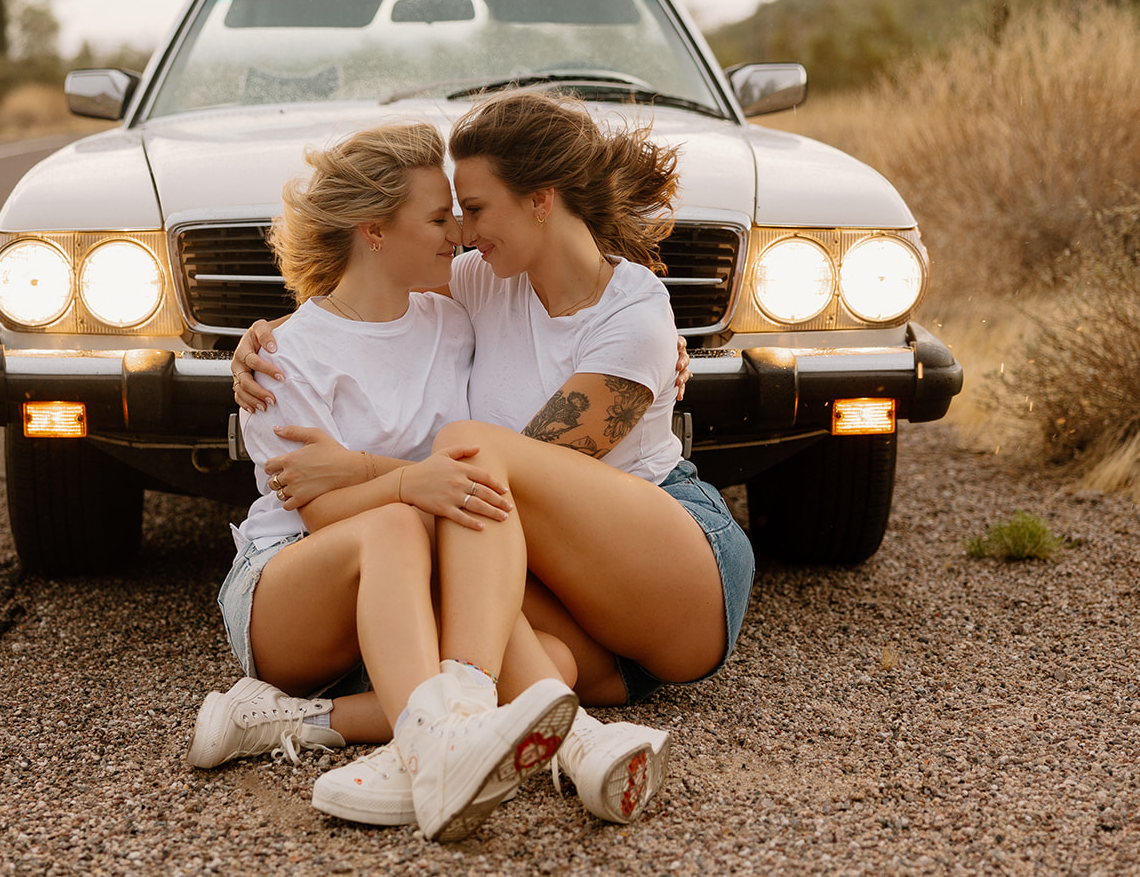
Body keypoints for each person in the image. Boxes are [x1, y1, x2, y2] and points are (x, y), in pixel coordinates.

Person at [232, 89, 755, 824]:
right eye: (456, 215)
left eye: (475, 209)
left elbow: (492, 481)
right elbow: (365, 293)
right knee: (528, 637)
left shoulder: (633, 318)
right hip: (569, 609)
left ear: (540, 200)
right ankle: (351, 726)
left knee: (462, 461)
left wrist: (366, 472)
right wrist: (261, 338)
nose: (465, 233)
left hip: (670, 568)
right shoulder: (483, 280)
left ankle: (452, 718)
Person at [183, 120, 579, 843]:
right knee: (399, 521)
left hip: (407, 586)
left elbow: (555, 333)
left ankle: (298, 722)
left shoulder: (452, 320)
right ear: (372, 230)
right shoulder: (285, 357)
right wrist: (408, 487)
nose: (456, 233)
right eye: (436, 217)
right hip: (293, 593)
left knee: (551, 665)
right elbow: (321, 513)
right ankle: (436, 755)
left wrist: (659, 342)